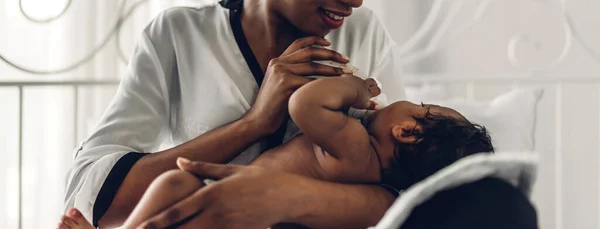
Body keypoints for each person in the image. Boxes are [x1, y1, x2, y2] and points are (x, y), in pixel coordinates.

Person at [63, 0, 407, 228]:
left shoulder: (365, 32)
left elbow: (411, 187)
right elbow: (98, 200)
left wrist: (287, 198)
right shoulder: (179, 35)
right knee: (176, 184)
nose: (356, 0)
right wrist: (252, 124)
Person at [58, 74, 493, 229]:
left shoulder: (356, 146)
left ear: (407, 131)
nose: (408, 101)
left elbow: (304, 105)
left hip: (236, 205)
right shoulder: (374, 177)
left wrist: (355, 89)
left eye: (418, 105)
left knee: (175, 181)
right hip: (266, 217)